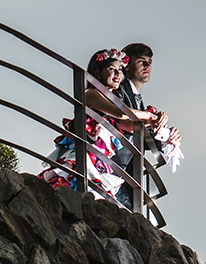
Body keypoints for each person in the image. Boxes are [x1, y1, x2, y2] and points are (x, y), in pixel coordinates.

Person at [40, 49, 157, 200]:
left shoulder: (113, 100)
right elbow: (121, 113)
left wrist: (153, 122)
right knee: (74, 184)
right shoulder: (90, 93)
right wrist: (149, 115)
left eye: (120, 70)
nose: (117, 74)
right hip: (86, 154)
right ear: (98, 72)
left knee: (95, 194)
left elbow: (126, 124)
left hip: (100, 160)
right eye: (111, 69)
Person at [114, 43, 182, 209]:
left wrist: (168, 137)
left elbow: (144, 133)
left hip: (126, 170)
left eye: (149, 62)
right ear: (127, 66)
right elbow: (122, 122)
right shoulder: (119, 91)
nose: (147, 65)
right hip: (115, 166)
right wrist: (155, 126)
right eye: (141, 61)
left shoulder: (138, 99)